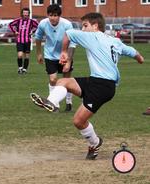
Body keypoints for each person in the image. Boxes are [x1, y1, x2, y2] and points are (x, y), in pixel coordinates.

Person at [30, 12, 144, 160]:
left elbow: (68, 33)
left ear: (95, 26)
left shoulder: (92, 36)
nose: (83, 30)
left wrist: (64, 52)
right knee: (63, 81)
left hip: (103, 87)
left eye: (85, 26)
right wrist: (140, 59)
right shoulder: (115, 41)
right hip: (95, 81)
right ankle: (52, 102)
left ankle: (95, 143)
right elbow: (133, 52)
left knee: (78, 121)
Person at [34, 4, 76, 112]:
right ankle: (54, 103)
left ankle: (69, 102)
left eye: (55, 15)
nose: (53, 18)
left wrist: (68, 61)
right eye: (50, 15)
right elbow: (38, 38)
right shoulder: (43, 24)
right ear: (47, 15)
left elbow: (72, 44)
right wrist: (38, 53)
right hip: (50, 55)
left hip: (65, 54)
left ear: (59, 16)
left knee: (66, 80)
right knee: (53, 79)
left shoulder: (67, 24)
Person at [8, 8, 38, 74]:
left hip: (27, 40)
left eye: (27, 14)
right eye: (24, 14)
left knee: (27, 56)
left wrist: (32, 31)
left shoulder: (31, 21)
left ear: (28, 14)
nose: (25, 15)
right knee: (20, 55)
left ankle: (25, 69)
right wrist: (15, 31)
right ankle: (20, 68)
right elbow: (10, 25)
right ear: (22, 14)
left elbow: (38, 26)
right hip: (19, 40)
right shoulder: (18, 21)